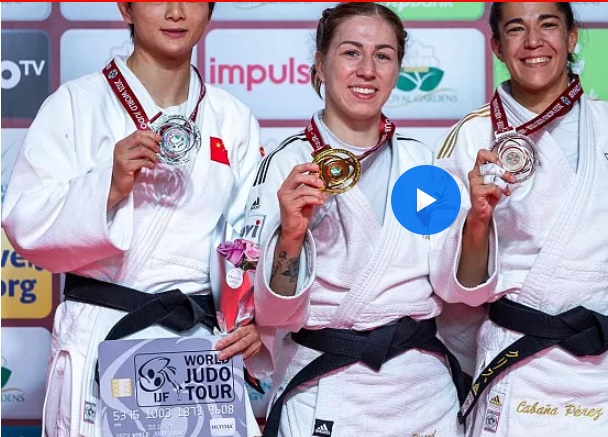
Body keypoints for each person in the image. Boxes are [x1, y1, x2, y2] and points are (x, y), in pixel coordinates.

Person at [1, 3, 267, 436]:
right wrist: (108, 187)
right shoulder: (76, 104)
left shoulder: (233, 118)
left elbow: (248, 240)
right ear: (126, 7)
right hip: (107, 334)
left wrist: (254, 322)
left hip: (200, 350)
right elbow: (25, 222)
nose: (176, 12)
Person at [247, 3, 466, 436]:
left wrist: (477, 221)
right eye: (351, 52)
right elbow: (273, 313)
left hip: (422, 391)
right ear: (320, 64)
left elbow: (453, 287)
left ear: (397, 70)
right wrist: (291, 234)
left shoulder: (421, 163)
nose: (367, 69)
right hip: (326, 385)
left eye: (383, 55)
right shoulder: (285, 165)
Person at [430, 3, 608, 436]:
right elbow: (454, 289)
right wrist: (478, 218)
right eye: (516, 29)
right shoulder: (472, 136)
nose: (533, 42)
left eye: (548, 25)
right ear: (496, 46)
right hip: (521, 362)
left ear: (571, 36)